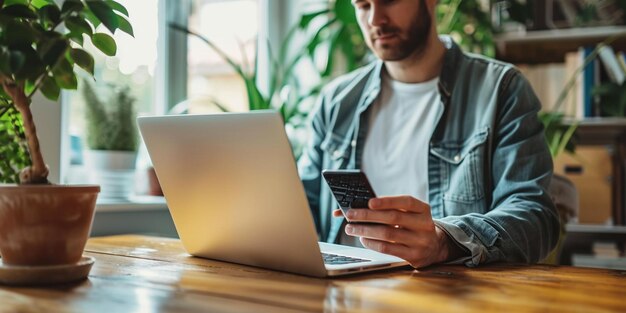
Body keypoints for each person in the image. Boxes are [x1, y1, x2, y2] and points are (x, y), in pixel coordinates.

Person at [297, 0, 560, 268]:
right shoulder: (336, 102)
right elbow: (299, 205)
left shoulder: (501, 91)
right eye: (363, 5)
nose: (375, 20)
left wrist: (445, 242)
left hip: (446, 298)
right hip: (342, 296)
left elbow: (535, 218)